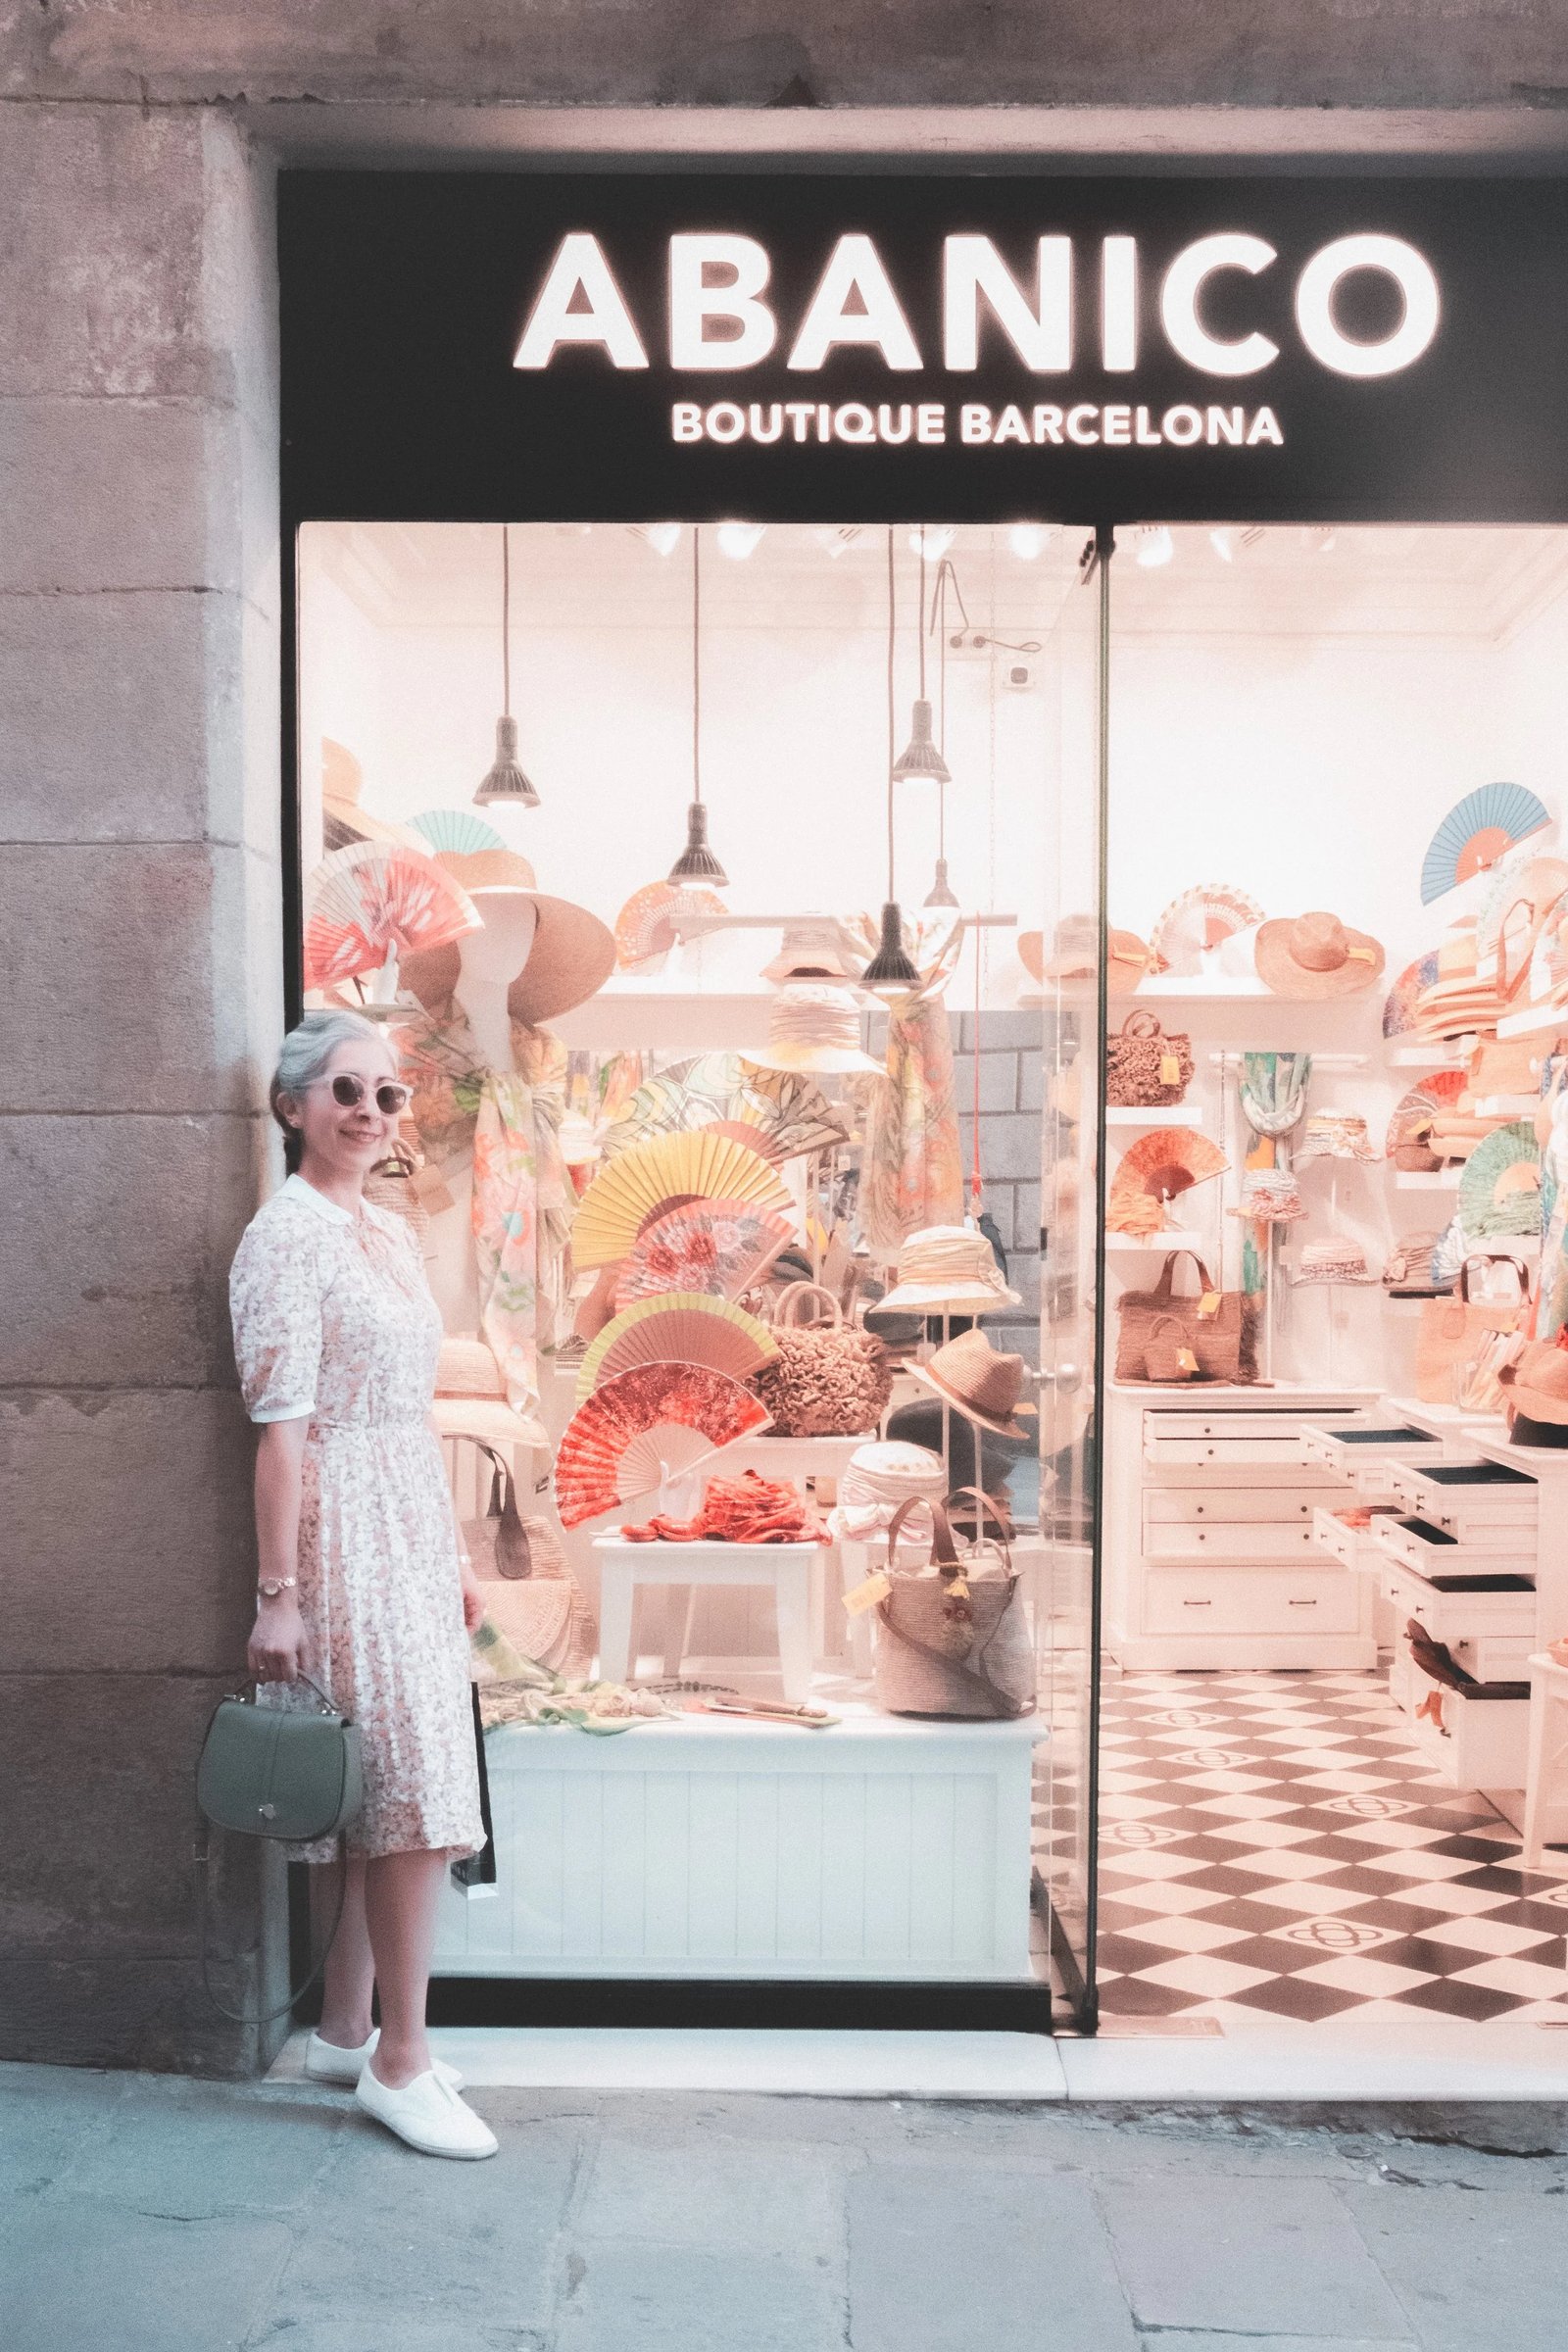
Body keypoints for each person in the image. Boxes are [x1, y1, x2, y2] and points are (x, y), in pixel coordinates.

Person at [229, 1008, 497, 2160]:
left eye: (389, 1096)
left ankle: (346, 2027)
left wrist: (453, 1555)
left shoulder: (381, 1230)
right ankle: (403, 2059)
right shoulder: (284, 1237)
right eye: (347, 1090)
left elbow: (410, 1407)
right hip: (341, 1531)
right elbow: (281, 1431)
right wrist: (277, 1592)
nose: (371, 1114)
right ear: (293, 1105)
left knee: (390, 1786)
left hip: (405, 1521)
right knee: (410, 1797)